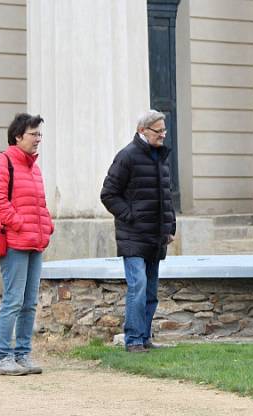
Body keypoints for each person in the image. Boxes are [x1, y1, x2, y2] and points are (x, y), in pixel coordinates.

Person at [100, 110, 176, 353]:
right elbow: (108, 194)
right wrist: (130, 216)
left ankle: (144, 338)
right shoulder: (127, 156)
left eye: (164, 130)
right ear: (142, 130)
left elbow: (166, 196)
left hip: (156, 236)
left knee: (151, 291)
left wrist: (170, 226)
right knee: (139, 286)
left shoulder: (160, 158)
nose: (163, 135)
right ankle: (132, 339)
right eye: (158, 131)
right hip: (133, 235)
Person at [0, 113, 54, 375]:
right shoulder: (3, 162)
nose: (38, 139)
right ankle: (3, 357)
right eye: (33, 134)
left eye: (40, 134)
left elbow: (40, 204)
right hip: (14, 242)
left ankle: (23, 354)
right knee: (13, 301)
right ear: (18, 136)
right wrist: (18, 223)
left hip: (35, 243)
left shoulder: (34, 167)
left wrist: (47, 225)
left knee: (29, 303)